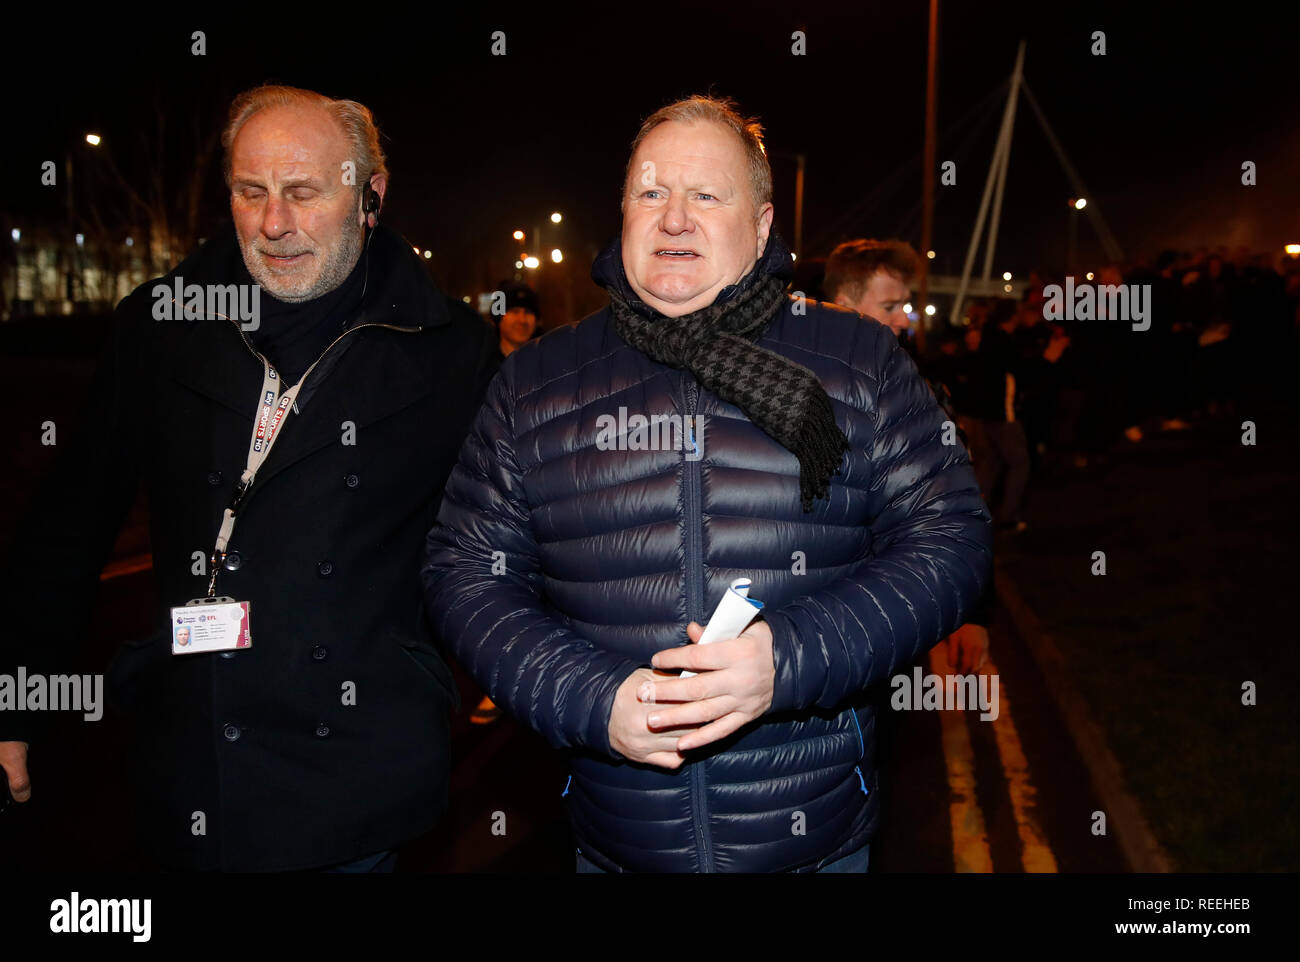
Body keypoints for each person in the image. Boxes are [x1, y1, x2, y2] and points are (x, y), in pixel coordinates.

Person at [424, 95, 992, 872]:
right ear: (621, 213)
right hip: (617, 842)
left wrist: (785, 661)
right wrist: (590, 700)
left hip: (814, 842)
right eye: (651, 193)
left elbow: (950, 539)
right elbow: (463, 574)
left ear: (760, 228)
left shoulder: (860, 362)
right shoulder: (535, 385)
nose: (675, 219)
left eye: (705, 195)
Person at [0, 85, 497, 872]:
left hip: (354, 775)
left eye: (302, 193)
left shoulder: (451, 350)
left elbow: (497, 543)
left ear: (370, 194)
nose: (273, 224)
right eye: (249, 192)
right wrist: (16, 702)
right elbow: (68, 522)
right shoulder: (159, 326)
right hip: (191, 757)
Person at [824, 239, 991, 671]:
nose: (905, 318)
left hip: (893, 621)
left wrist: (970, 612)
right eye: (890, 305)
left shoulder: (920, 391)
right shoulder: (795, 387)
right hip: (814, 631)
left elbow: (950, 506)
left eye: (905, 304)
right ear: (845, 305)